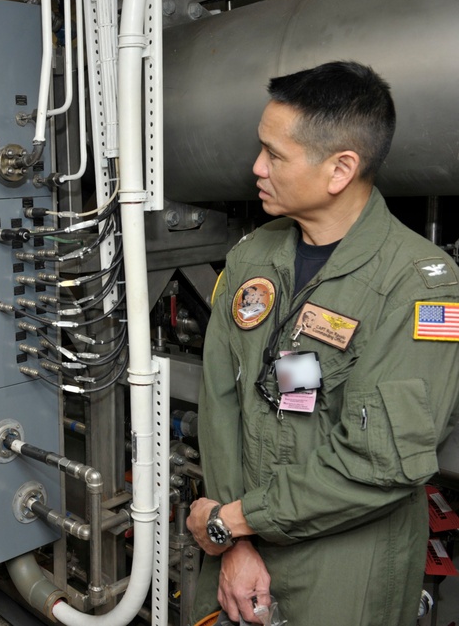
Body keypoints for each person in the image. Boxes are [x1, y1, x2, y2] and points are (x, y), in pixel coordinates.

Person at [186, 62, 459, 625]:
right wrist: (236, 539)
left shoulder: (420, 286)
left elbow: (380, 462)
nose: (255, 168)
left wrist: (235, 520)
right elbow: (221, 401)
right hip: (241, 544)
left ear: (340, 169)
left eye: (275, 155)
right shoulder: (255, 254)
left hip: (345, 566)